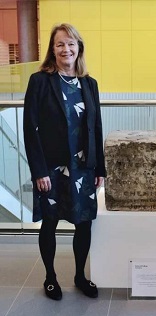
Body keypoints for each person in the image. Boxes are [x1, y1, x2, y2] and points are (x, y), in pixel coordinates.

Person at [23, 23, 106, 301]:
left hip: (83, 167)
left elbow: (97, 128)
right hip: (51, 168)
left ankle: (80, 276)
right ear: (53, 49)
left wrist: (100, 168)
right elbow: (29, 127)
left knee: (83, 223)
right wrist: (38, 171)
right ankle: (50, 277)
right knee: (49, 222)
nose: (66, 49)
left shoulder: (89, 83)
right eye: (60, 44)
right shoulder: (40, 81)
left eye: (71, 43)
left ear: (78, 47)